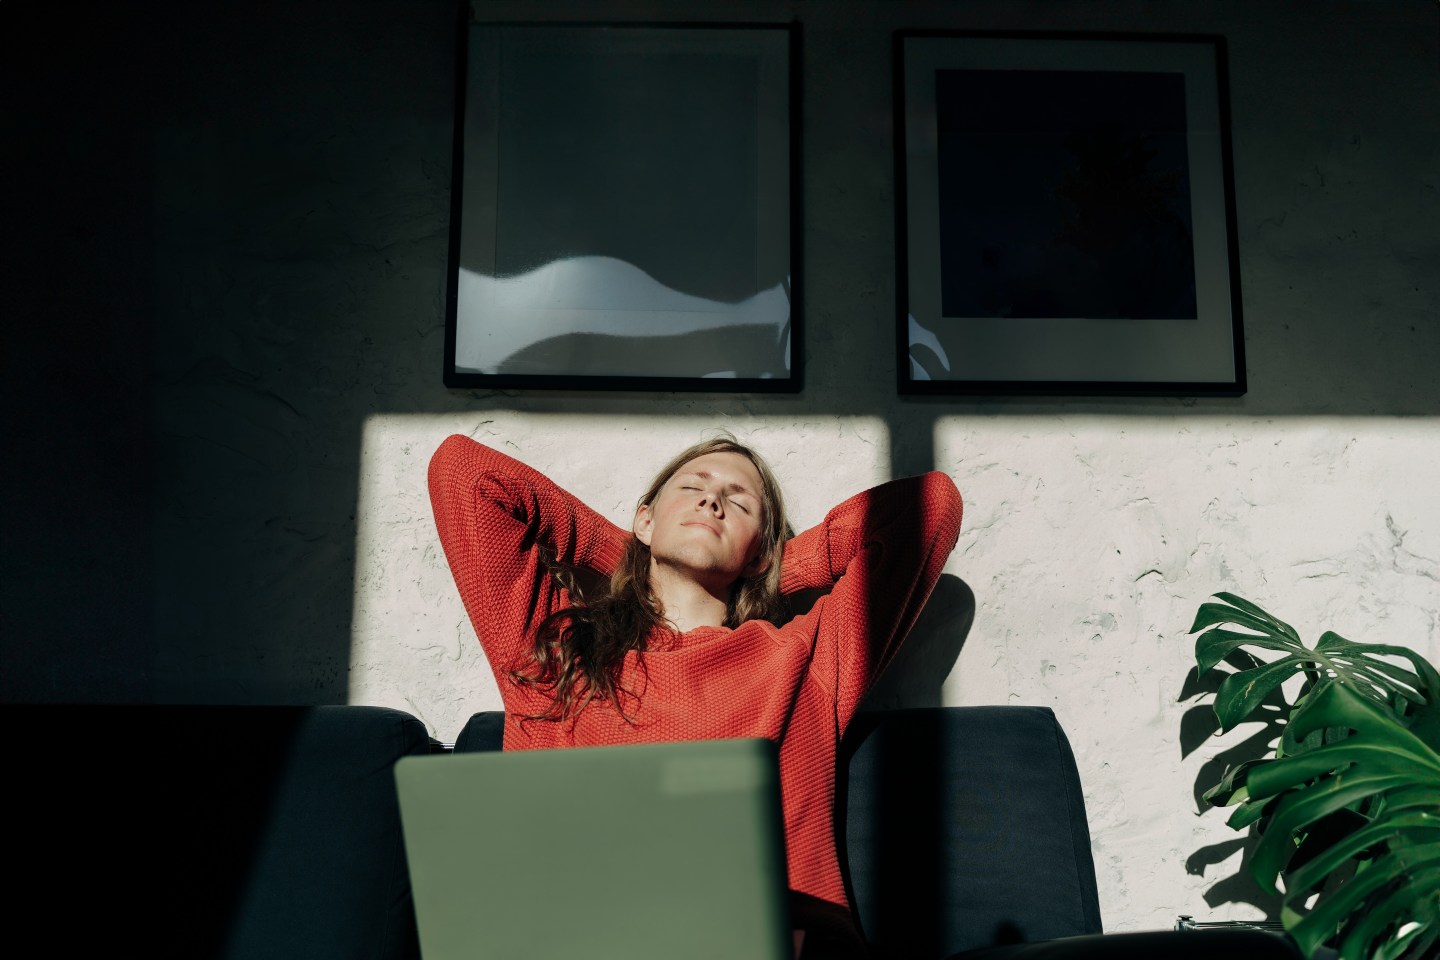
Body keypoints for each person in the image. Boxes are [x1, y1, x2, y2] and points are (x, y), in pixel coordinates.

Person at [427, 430, 963, 959]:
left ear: (761, 553)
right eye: (692, 488)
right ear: (644, 517)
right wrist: (636, 552)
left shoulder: (806, 658)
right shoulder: (557, 650)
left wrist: (770, 568)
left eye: (739, 502)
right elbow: (465, 473)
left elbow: (930, 507)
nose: (712, 500)